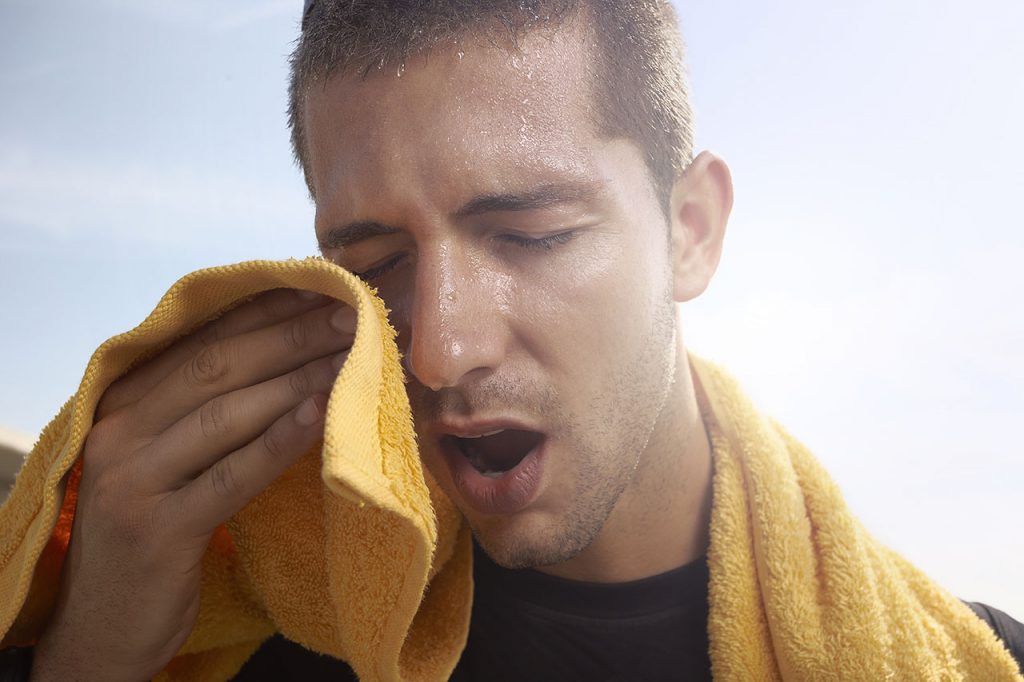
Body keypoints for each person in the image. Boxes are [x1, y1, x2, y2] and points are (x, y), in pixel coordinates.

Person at [7, 1, 1022, 680]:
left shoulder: (970, 658)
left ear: (690, 230)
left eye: (531, 234)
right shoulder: (276, 636)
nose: (439, 350)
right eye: (371, 264)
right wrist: (89, 652)